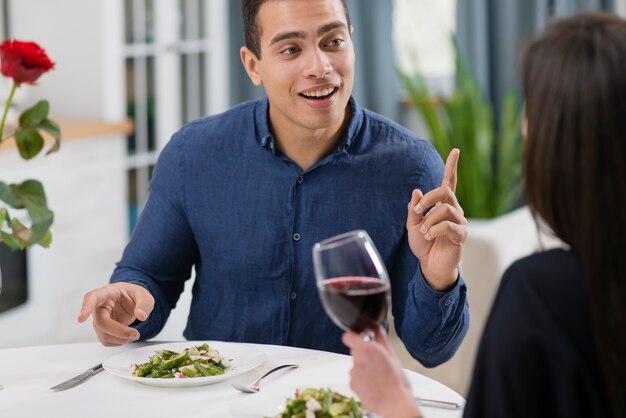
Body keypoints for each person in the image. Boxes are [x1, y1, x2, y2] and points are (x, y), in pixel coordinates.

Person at [76, 0, 469, 366]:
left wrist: (440, 276)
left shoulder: (411, 167)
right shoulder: (192, 154)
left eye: (333, 41)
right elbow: (149, 276)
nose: (320, 66)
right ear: (253, 65)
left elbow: (430, 349)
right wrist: (130, 300)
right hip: (218, 398)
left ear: (352, 40)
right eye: (291, 50)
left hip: (340, 400)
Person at [343, 11, 626, 418]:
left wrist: (394, 403)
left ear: (568, 141)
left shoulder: (543, 294)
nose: (526, 129)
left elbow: (433, 351)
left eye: (536, 112)